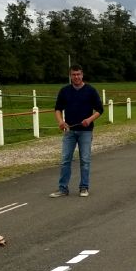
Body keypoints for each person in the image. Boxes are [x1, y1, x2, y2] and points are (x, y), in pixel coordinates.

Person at [51, 65, 103, 197]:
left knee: (85, 160)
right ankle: (63, 188)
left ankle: (84, 187)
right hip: (69, 131)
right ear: (70, 76)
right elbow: (57, 109)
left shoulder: (90, 90)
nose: (76, 77)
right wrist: (60, 122)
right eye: (74, 75)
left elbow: (100, 110)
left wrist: (90, 119)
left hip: (85, 131)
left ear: (82, 74)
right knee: (65, 160)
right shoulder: (65, 91)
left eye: (78, 74)